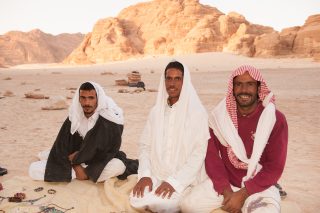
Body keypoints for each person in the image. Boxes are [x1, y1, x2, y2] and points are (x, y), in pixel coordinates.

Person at [181, 65, 288, 213]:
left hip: (259, 186)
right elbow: (212, 158)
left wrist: (242, 195)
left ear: (258, 88)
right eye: (239, 84)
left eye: (250, 84)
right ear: (232, 88)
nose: (244, 90)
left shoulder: (274, 119)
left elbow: (274, 167)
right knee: (188, 206)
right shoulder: (219, 118)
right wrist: (227, 192)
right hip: (227, 184)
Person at [129, 61, 210, 212]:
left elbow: (199, 154)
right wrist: (145, 175)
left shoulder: (197, 113)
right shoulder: (156, 112)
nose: (172, 83)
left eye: (177, 79)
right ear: (164, 80)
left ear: (185, 82)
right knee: (136, 199)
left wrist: (174, 182)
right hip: (156, 174)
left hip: (184, 180)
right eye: (169, 78)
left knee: (162, 205)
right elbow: (145, 146)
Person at [29, 81, 138, 182]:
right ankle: (83, 174)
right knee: (33, 169)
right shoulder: (74, 117)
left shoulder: (109, 120)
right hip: (74, 160)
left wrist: (80, 156)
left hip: (98, 161)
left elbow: (109, 150)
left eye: (91, 98)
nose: (87, 103)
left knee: (118, 166)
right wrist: (76, 164)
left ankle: (84, 174)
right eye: (83, 98)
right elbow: (62, 145)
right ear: (79, 99)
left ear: (98, 99)